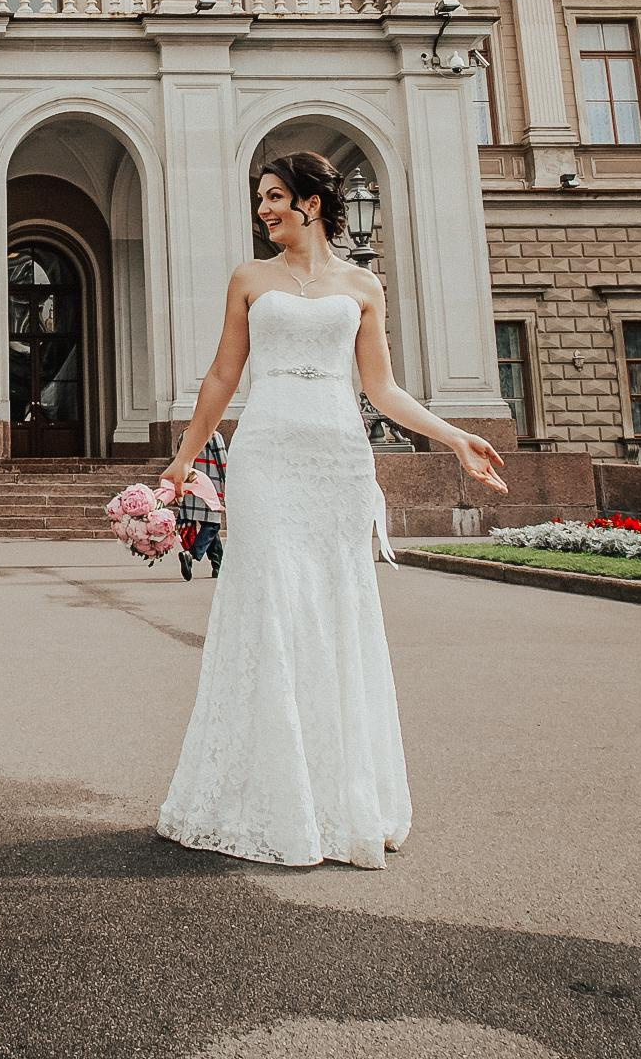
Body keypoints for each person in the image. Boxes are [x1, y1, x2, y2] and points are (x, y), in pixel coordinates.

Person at [156, 150, 507, 870]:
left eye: (275, 197)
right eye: (261, 199)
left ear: (312, 204)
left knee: (336, 614)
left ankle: (337, 798)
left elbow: (382, 389)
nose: (264, 211)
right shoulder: (250, 279)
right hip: (269, 456)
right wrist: (186, 457)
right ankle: (269, 799)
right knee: (275, 607)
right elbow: (225, 372)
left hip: (339, 461)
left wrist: (452, 438)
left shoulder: (362, 285)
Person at [176, 429, 226, 581]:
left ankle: (218, 566)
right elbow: (223, 462)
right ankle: (191, 555)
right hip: (210, 486)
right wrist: (228, 484)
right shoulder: (214, 435)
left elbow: (180, 459)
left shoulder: (184, 434)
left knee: (209, 527)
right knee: (212, 525)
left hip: (191, 484)